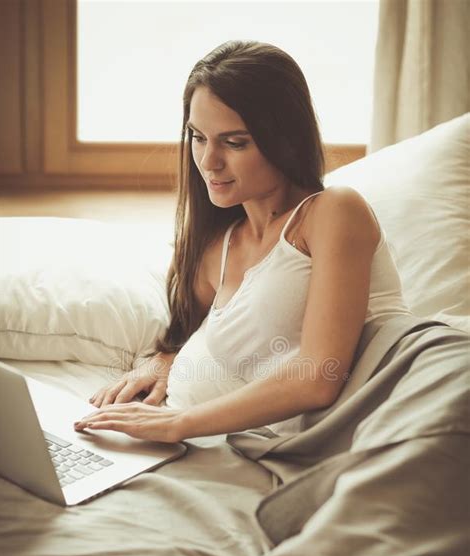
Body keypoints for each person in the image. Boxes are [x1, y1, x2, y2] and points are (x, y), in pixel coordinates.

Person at [74, 40, 410, 443]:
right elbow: (188, 335)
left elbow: (320, 376)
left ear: (284, 139)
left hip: (361, 437)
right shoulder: (215, 248)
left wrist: (177, 424)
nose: (209, 161)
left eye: (235, 143)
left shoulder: (332, 212)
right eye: (198, 137)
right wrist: (165, 361)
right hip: (206, 446)